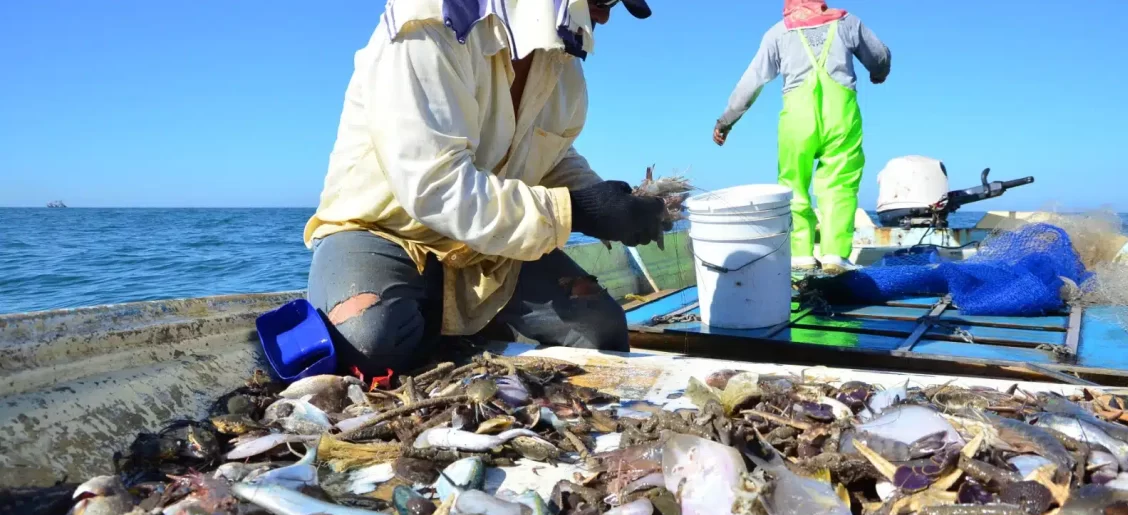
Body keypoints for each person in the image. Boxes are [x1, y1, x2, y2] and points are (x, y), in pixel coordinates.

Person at [303, 0, 669, 377]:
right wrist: (581, 211)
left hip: (485, 247)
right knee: (370, 340)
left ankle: (463, 331)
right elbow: (437, 186)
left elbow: (551, 153)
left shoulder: (562, 63)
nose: (605, 16)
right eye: (602, 0)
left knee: (600, 328)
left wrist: (614, 206)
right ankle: (456, 332)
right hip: (385, 231)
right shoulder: (430, 21)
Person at [712, 0, 891, 274]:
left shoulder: (777, 32)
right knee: (840, 185)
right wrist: (879, 73)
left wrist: (725, 122)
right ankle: (834, 256)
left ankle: (800, 256)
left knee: (793, 185)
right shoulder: (847, 22)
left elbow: (751, 82)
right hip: (841, 118)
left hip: (797, 121)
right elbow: (878, 56)